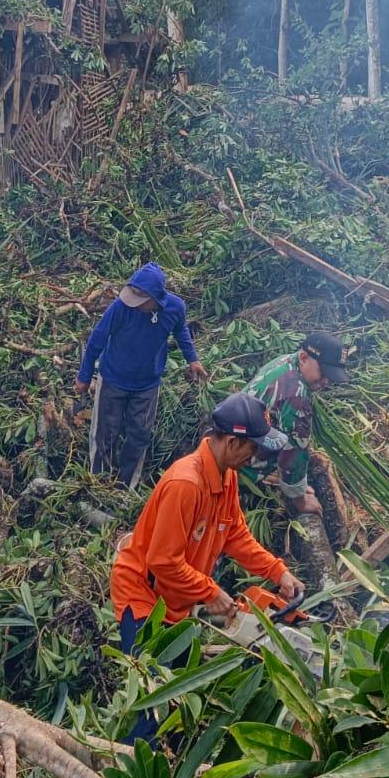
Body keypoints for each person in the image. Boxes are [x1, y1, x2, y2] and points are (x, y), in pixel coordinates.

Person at [109, 391, 305, 742]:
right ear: (232, 442)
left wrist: (278, 572)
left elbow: (236, 536)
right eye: (253, 448)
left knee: (182, 696)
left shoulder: (224, 475)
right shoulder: (187, 483)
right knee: (155, 704)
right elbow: (162, 561)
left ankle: (166, 762)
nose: (256, 456)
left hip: (177, 602)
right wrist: (210, 591)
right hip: (144, 599)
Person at [76, 262, 209, 486]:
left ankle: (126, 485)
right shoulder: (120, 308)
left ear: (155, 298)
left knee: (139, 436)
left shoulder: (175, 308)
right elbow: (97, 339)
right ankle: (98, 483)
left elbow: (180, 330)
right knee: (106, 433)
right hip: (113, 380)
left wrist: (193, 359)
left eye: (141, 301)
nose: (135, 305)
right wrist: (85, 375)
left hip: (147, 385)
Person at [242, 331, 352, 518]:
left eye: (330, 377)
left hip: (232, 442)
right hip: (240, 468)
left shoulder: (285, 362)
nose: (326, 381)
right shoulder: (297, 397)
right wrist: (300, 499)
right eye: (323, 373)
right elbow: (293, 455)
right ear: (304, 357)